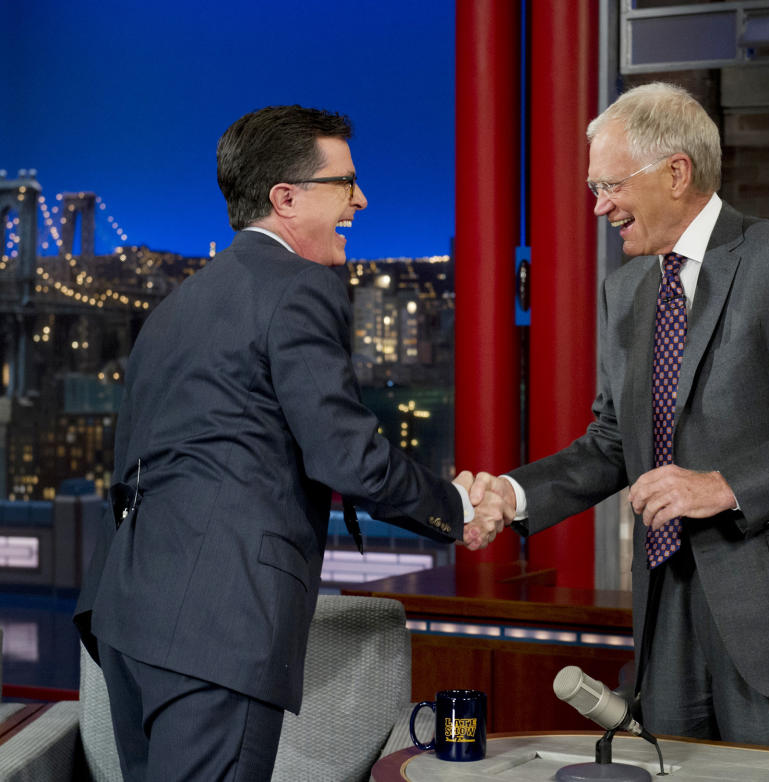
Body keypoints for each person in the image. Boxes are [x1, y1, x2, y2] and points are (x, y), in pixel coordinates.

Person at [74, 105, 510, 781]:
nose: (360, 200)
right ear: (286, 198)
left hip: (128, 618)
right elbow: (344, 455)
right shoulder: (300, 288)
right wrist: (453, 506)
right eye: (345, 184)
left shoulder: (179, 303)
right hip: (218, 628)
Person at [469, 82, 769, 752]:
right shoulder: (626, 289)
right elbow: (612, 442)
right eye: (591, 188)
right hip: (668, 616)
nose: (599, 205)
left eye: (609, 185)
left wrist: (724, 485)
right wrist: (512, 496)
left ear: (676, 171)